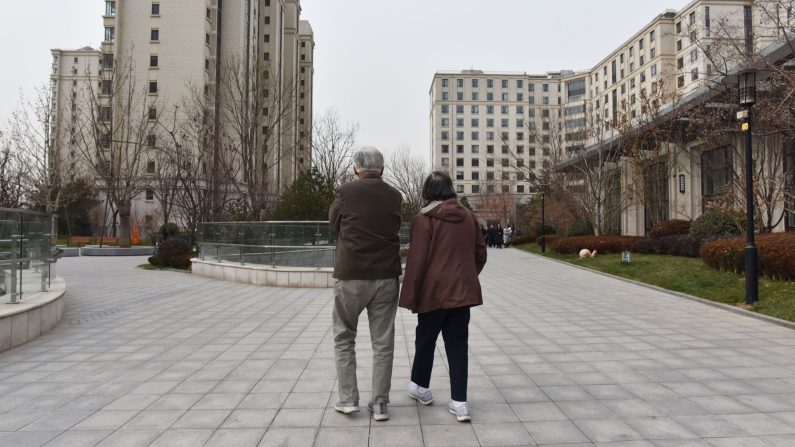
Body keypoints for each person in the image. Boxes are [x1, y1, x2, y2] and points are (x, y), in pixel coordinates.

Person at [399, 171, 487, 422]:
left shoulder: (423, 219)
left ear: (427, 192)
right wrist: (467, 276)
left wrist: (411, 295)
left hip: (433, 293)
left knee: (425, 340)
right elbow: (480, 253)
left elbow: (416, 261)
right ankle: (460, 403)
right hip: (462, 294)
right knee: (458, 345)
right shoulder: (469, 217)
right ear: (450, 190)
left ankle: (420, 387)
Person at [329, 146, 402, 422]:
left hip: (351, 276)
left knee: (344, 336)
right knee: (383, 342)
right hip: (385, 277)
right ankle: (380, 404)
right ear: (382, 170)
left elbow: (333, 222)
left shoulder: (346, 192)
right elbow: (394, 226)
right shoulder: (395, 196)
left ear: (356, 169)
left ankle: (348, 399)